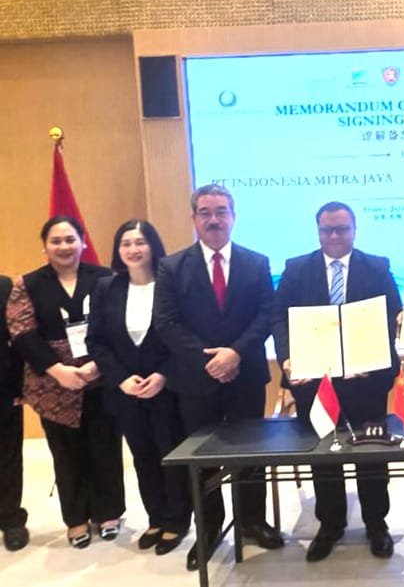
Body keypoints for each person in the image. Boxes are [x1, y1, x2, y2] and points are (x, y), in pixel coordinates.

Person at [153, 184, 283, 571]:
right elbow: (166, 322)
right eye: (205, 212)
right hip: (196, 379)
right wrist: (209, 360)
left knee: (251, 455)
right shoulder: (172, 267)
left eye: (221, 211)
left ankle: (252, 521)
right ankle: (209, 528)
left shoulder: (256, 263)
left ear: (233, 217)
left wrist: (235, 353)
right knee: (203, 458)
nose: (214, 219)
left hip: (246, 374)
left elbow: (266, 314)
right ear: (194, 218)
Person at [272, 201, 401, 562]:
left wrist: (371, 359)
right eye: (327, 229)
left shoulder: (377, 267)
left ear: (354, 230)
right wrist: (287, 358)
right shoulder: (296, 269)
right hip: (315, 383)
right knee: (323, 455)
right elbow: (279, 318)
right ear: (318, 231)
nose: (334, 236)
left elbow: (392, 315)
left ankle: (376, 524)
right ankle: (330, 525)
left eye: (342, 229)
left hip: (366, 381)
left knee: (371, 453)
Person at [6, 216, 123, 549]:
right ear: (44, 247)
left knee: (105, 446)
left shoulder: (105, 277)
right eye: (55, 241)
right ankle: (76, 518)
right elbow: (21, 332)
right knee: (66, 452)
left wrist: (98, 365)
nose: (63, 246)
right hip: (51, 384)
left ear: (82, 242)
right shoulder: (26, 284)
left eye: (70, 239)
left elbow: (117, 323)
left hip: (100, 375)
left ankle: (109, 512)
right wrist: (57, 370)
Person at [86, 220, 190, 555]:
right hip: (126, 392)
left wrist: (163, 375)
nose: (133, 249)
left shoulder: (171, 284)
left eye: (140, 242)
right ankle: (156, 517)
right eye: (126, 243)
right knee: (143, 456)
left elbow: (182, 336)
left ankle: (177, 520)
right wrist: (120, 379)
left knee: (170, 454)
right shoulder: (106, 288)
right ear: (118, 250)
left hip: (167, 389)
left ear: (153, 245)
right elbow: (96, 341)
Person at [0, 274, 28, 551]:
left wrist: (20, 385)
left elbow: (17, 339)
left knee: (7, 456)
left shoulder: (3, 286)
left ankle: (10, 519)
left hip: (3, 387)